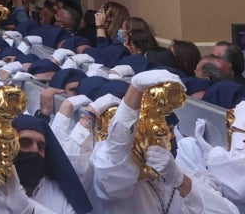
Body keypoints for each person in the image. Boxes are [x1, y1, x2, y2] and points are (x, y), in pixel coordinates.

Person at [90, 68, 237, 213]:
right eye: (154, 133)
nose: (167, 138)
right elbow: (116, 151)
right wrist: (134, 91)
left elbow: (227, 211)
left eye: (170, 131)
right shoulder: (109, 170)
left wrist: (180, 180)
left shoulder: (173, 169)